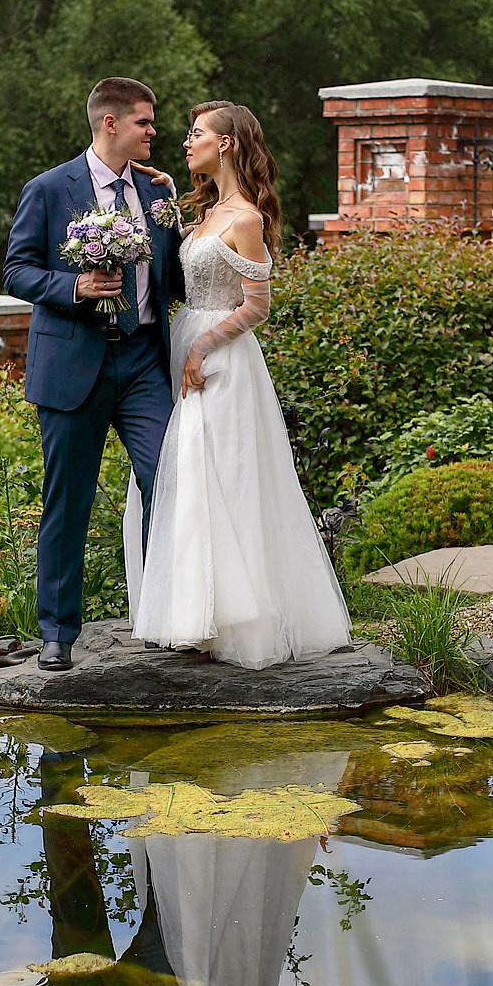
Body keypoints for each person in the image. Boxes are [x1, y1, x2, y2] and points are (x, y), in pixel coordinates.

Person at [126, 101, 353, 668]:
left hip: (220, 358)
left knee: (219, 478)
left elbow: (258, 305)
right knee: (179, 477)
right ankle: (187, 612)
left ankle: (231, 620)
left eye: (196, 133)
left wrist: (203, 347)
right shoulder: (206, 212)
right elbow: (191, 268)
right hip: (184, 344)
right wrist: (172, 193)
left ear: (225, 144)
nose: (185, 140)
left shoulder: (245, 218)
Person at [3, 77, 186, 673]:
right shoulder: (50, 189)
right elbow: (17, 271)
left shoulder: (155, 195)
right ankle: (57, 632)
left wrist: (181, 219)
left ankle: (167, 618)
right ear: (110, 124)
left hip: (141, 363)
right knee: (68, 501)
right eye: (145, 122)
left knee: (171, 481)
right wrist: (73, 286)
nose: (154, 132)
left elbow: (176, 282)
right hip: (73, 363)